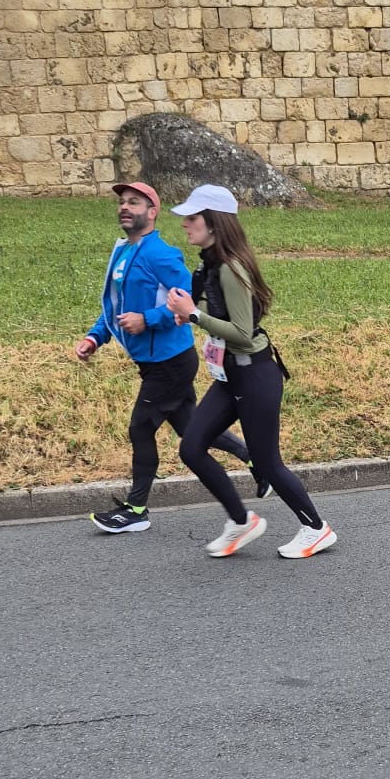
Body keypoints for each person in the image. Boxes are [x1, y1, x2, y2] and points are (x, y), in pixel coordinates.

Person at [164, 186, 336, 560]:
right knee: (192, 447)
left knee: (267, 462)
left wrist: (194, 314)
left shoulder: (231, 268)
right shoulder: (209, 265)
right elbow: (212, 313)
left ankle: (315, 528)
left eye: (192, 218)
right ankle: (241, 521)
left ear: (214, 223)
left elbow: (243, 333)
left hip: (255, 375)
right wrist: (188, 313)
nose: (185, 224)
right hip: (230, 376)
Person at [75, 180, 252, 534]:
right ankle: (254, 459)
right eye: (122, 202)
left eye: (134, 202)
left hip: (169, 363)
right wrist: (96, 337)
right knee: (191, 428)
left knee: (140, 428)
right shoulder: (124, 251)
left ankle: (136, 509)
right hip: (154, 363)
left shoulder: (161, 254)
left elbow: (187, 296)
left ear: (152, 212)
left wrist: (148, 319)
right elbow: (115, 306)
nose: (125, 207)